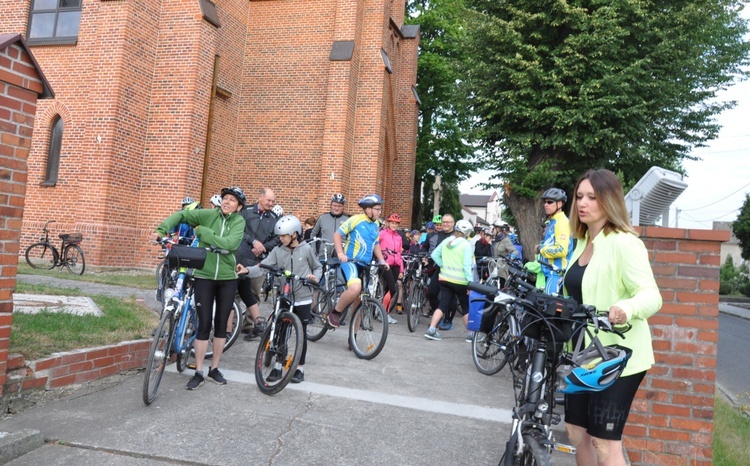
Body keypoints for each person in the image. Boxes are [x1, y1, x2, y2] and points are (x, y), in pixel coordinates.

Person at [562, 168, 662, 466]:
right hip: (582, 356)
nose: (583, 203)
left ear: (609, 201)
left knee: (604, 443)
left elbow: (651, 295)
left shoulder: (623, 243)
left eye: (592, 197)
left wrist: (626, 309)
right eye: (579, 196)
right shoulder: (581, 242)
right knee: (576, 433)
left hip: (617, 359)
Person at [150, 187, 247, 390]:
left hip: (227, 278)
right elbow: (183, 214)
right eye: (225, 199)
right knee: (203, 325)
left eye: (232, 200)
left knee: (220, 325)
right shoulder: (208, 214)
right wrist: (162, 229)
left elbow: (230, 244)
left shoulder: (239, 221)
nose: (227, 202)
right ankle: (199, 371)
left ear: (239, 206)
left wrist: (204, 232)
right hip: (204, 276)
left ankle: (214, 368)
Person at [240, 215, 322, 383]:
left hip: (303, 297)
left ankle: (300, 369)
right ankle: (278, 366)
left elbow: (318, 267)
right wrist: (247, 270)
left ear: (294, 234)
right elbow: (262, 267)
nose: (281, 239)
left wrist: (315, 277)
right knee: (281, 331)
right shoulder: (278, 251)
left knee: (301, 333)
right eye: (280, 236)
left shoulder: (306, 249)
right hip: (285, 296)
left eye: (284, 235)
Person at [327, 195, 389, 328]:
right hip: (350, 262)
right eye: (377, 209)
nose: (379, 212)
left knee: (360, 301)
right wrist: (340, 253)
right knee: (355, 289)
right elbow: (337, 234)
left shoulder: (376, 224)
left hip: (365, 265)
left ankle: (353, 336)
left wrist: (382, 260)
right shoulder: (356, 219)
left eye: (380, 209)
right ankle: (336, 312)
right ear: (368, 209)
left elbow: (376, 243)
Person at [236, 188, 280, 337]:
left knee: (254, 293)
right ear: (260, 198)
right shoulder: (246, 211)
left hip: (258, 260)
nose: (271, 203)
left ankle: (248, 325)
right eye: (269, 200)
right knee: (234, 292)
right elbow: (237, 230)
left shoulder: (274, 217)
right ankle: (233, 324)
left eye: (273, 201)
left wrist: (263, 247)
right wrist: (253, 242)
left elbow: (277, 238)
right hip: (240, 257)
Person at [424, 219, 475, 342]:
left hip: (445, 278)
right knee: (465, 307)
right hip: (461, 281)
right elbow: (467, 266)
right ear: (466, 232)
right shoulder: (466, 245)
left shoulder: (447, 241)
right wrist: (471, 283)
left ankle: (431, 329)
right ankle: (470, 335)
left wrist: (443, 265)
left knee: (442, 305)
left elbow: (434, 255)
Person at [538, 187, 573, 294]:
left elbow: (561, 250)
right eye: (545, 202)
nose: (546, 205)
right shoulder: (553, 221)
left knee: (548, 308)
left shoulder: (561, 222)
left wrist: (541, 249)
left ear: (560, 204)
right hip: (551, 274)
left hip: (556, 274)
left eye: (550, 202)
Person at [379, 213, 404, 322]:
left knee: (389, 289)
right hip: (385, 264)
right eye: (392, 223)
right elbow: (374, 245)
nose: (394, 225)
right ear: (388, 223)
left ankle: (383, 312)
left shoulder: (399, 237)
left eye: (396, 223)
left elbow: (399, 253)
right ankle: (384, 313)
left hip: (396, 264)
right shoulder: (382, 234)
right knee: (393, 290)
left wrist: (402, 269)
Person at [310, 193, 349, 258]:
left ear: (343, 207)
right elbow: (313, 234)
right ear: (331, 205)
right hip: (323, 254)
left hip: (341, 254)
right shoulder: (322, 218)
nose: (336, 208)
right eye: (335, 205)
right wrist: (313, 249)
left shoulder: (348, 220)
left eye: (339, 206)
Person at [492, 220, 519, 288]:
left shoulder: (505, 240)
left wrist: (510, 258)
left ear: (499, 229)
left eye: (494, 228)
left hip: (502, 269)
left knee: (501, 288)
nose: (493, 230)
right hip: (494, 268)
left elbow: (515, 251)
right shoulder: (496, 240)